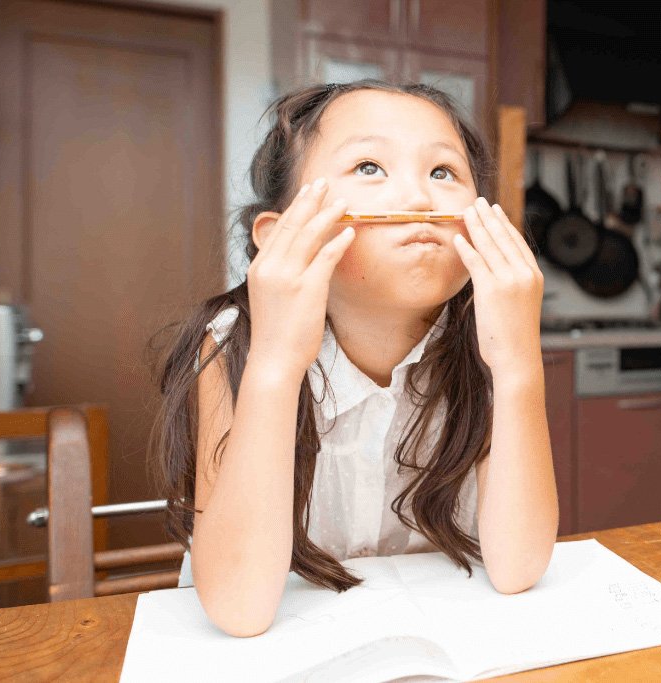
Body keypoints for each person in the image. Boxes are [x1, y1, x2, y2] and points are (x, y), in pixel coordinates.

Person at [150, 81, 557, 637]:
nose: (420, 199)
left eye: (443, 173)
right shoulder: (233, 344)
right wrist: (275, 363)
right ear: (280, 235)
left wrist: (518, 368)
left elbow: (519, 569)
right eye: (369, 166)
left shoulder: (488, 340)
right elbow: (239, 610)